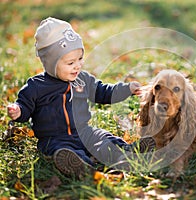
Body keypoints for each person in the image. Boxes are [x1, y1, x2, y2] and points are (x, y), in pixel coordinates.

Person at [7, 17, 155, 177]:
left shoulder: (82, 79)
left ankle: (126, 152)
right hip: (55, 139)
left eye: (80, 59)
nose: (77, 65)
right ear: (50, 63)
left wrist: (126, 89)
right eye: (70, 63)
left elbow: (103, 91)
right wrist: (19, 111)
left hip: (84, 131)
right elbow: (25, 106)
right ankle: (80, 165)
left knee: (102, 138)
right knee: (65, 151)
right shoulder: (36, 86)